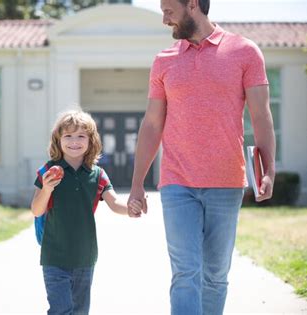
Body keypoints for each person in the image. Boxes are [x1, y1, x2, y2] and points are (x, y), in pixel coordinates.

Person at [127, 0, 276, 314]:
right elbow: (152, 123)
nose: (165, 19)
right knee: (186, 272)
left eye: (168, 10)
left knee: (215, 275)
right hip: (177, 182)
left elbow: (260, 115)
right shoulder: (164, 60)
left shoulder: (244, 51)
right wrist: (137, 183)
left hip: (226, 182)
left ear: (192, 4)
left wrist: (268, 170)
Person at [31, 109, 142, 315]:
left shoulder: (97, 174)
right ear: (58, 140)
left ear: (91, 141)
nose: (74, 141)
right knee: (60, 310)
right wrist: (47, 188)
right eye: (68, 136)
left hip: (85, 256)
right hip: (54, 256)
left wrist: (130, 208)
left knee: (81, 311)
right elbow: (37, 210)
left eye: (81, 136)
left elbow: (114, 202)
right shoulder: (47, 171)